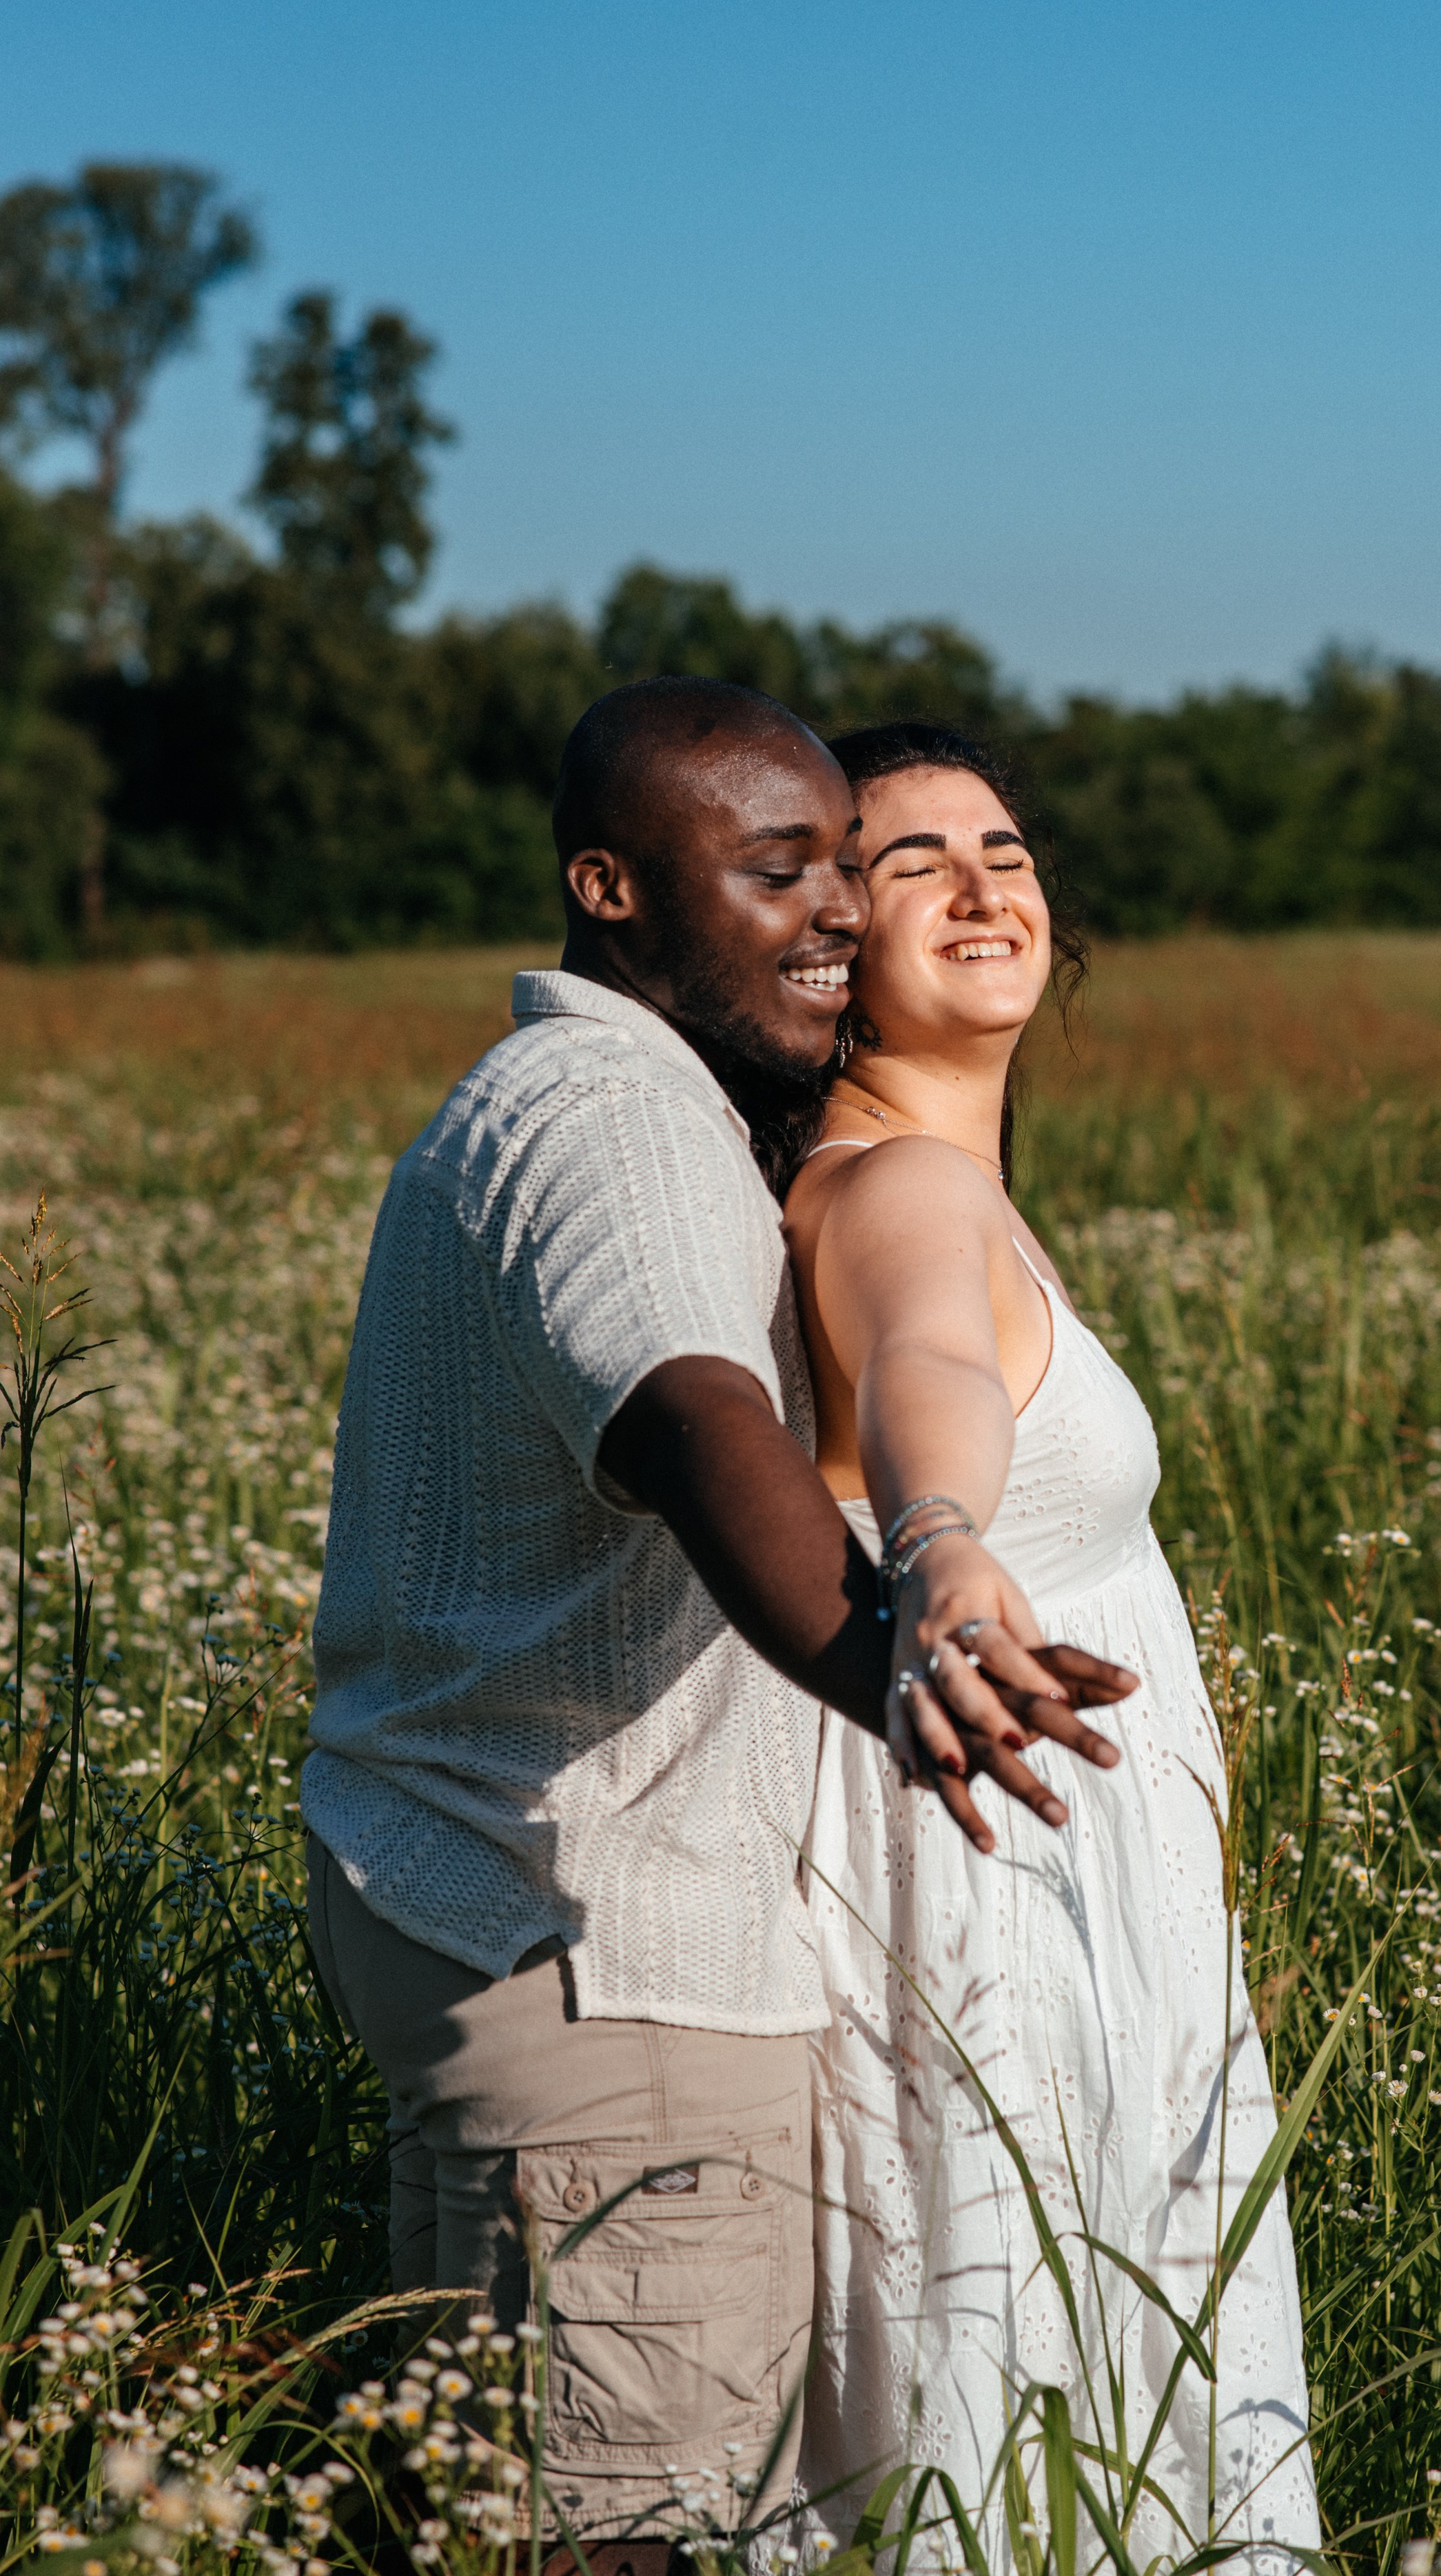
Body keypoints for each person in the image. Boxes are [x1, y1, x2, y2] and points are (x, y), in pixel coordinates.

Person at [300, 679, 1132, 2573]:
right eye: (783, 869)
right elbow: (698, 1416)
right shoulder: (622, 1127)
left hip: (498, 1909)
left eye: (848, 863)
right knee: (618, 2527)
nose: (838, 908)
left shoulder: (579, 1098)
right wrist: (901, 1654)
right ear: (608, 885)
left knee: (515, 2504)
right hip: (606, 1964)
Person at [783, 723, 1320, 2564]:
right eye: (910, 856)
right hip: (996, 1898)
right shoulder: (898, 1192)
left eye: (1002, 846)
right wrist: (942, 1541)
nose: (980, 881)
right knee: (1019, 2397)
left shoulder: (941, 1176)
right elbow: (931, 1369)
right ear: (832, 932)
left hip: (1043, 1865)